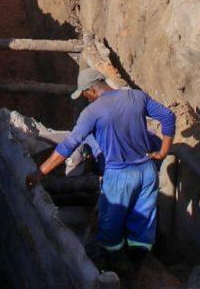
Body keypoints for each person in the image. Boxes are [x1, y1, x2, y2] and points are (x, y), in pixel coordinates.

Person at [26, 68, 175, 266]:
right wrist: (163, 152)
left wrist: (39, 172)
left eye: (85, 95)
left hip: (119, 176)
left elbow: (67, 146)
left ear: (92, 90)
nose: (86, 99)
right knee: (142, 227)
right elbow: (168, 117)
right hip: (147, 171)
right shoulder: (136, 96)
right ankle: (136, 267)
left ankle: (114, 270)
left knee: (109, 231)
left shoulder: (92, 112)